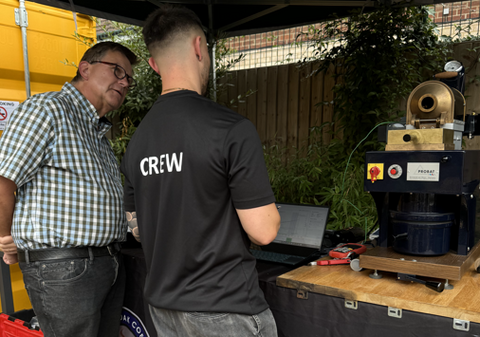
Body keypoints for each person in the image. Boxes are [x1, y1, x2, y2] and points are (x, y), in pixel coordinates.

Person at [121, 4, 281, 337]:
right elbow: (263, 232)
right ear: (199, 47)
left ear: (153, 64)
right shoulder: (230, 128)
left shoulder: (138, 141)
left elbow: (136, 228)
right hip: (225, 308)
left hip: (164, 308)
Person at [0, 41, 137, 337]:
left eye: (128, 78)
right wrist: (4, 237)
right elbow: (3, 180)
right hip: (64, 268)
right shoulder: (48, 109)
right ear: (85, 69)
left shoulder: (97, 131)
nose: (124, 82)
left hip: (107, 261)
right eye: (116, 70)